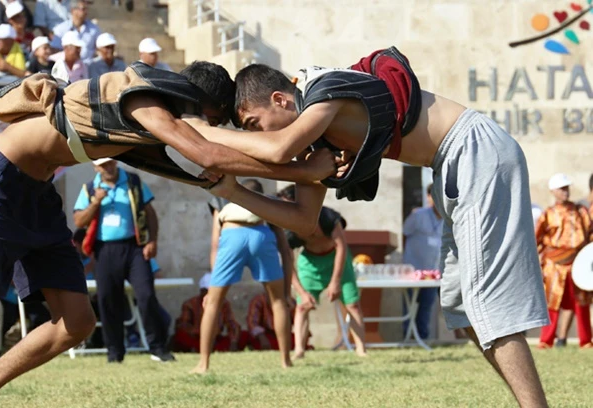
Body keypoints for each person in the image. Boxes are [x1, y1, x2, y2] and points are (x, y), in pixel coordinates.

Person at [0, 59, 338, 407]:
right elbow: (208, 150)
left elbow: (219, 164)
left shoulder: (156, 132)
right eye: (213, 118)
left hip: (38, 192)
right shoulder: (144, 100)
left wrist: (307, 176)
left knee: (76, 322)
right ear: (195, 101)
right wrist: (304, 167)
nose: (211, 127)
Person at [194, 48, 550, 407]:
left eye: (255, 124)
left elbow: (277, 150)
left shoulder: (322, 91)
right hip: (452, 164)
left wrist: (197, 134)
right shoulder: (316, 141)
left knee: (485, 303)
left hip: (472, 149)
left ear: (279, 99)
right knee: (462, 307)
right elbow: (302, 220)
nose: (259, 137)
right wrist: (233, 191)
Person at [73, 157, 174, 363]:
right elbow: (79, 220)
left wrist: (152, 241)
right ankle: (115, 352)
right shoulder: (90, 188)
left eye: (110, 163)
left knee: (146, 294)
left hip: (134, 247)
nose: (108, 168)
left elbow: (151, 214)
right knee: (108, 300)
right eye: (103, 165)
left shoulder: (133, 181)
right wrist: (96, 202)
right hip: (105, 250)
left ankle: (158, 348)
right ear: (95, 167)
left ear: (115, 163)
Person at [192, 179, 294, 374]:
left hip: (232, 236)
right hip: (262, 237)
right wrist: (286, 292)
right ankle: (285, 361)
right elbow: (285, 250)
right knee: (278, 302)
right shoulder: (268, 204)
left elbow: (215, 245)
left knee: (213, 303)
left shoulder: (221, 200)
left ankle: (203, 364)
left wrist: (213, 286)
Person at [275, 185, 366, 358]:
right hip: (310, 263)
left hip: (337, 259)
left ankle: (361, 348)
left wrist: (335, 281)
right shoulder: (289, 231)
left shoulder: (327, 216)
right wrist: (301, 291)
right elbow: (287, 261)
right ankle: (300, 349)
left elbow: (341, 247)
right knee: (302, 306)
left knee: (352, 304)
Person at [535, 173, 593, 349]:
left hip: (577, 262)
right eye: (561, 188)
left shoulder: (580, 211)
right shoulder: (548, 214)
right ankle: (546, 340)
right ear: (553, 191)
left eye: (567, 188)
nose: (565, 192)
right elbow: (536, 238)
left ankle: (586, 340)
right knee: (553, 302)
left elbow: (589, 233)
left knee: (580, 302)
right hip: (554, 265)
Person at [401, 184, 443, 340]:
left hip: (433, 272)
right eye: (433, 195)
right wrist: (405, 261)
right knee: (409, 304)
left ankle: (423, 338)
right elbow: (405, 234)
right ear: (429, 197)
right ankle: (408, 337)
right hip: (413, 269)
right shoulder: (418, 215)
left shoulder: (448, 219)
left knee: (426, 306)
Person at [172, 273, 247, 353]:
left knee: (244, 335)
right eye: (207, 291)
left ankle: (215, 348)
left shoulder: (223, 303)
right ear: (201, 291)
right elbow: (183, 324)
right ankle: (197, 348)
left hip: (216, 340)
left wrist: (233, 341)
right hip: (196, 338)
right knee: (180, 336)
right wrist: (201, 332)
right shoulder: (190, 304)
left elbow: (231, 323)